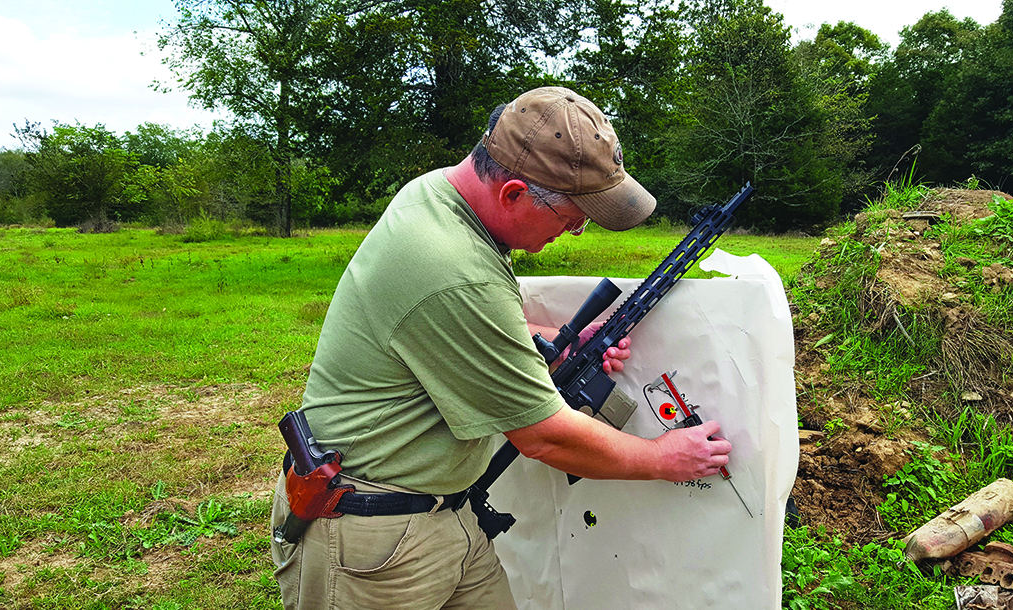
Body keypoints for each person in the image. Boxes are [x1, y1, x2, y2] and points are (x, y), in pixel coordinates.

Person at [269, 86, 733, 610]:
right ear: (512, 193)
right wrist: (663, 457)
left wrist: (540, 343)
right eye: (571, 215)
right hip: (371, 537)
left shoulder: (439, 197)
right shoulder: (452, 266)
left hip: (445, 512)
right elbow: (544, 437)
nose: (576, 231)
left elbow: (452, 324)